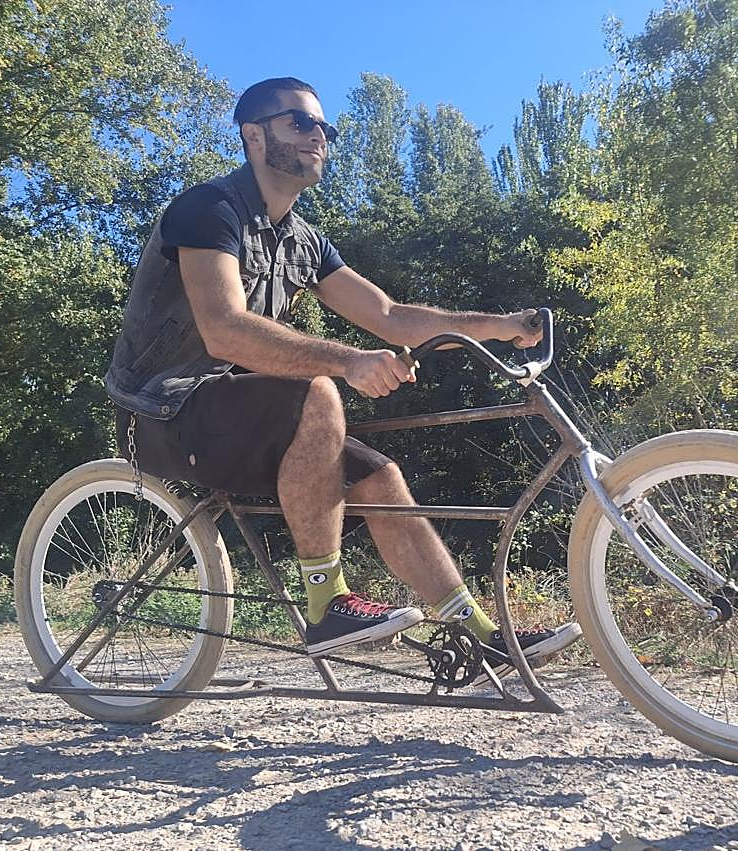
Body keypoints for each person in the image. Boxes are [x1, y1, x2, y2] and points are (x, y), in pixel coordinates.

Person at [105, 77, 580, 675]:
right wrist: (349, 361)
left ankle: (476, 632)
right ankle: (327, 602)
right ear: (254, 135)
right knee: (319, 390)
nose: (318, 137)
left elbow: (389, 316)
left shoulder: (304, 242)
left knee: (381, 479)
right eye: (299, 123)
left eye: (324, 128)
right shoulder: (210, 211)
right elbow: (224, 329)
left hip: (229, 412)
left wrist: (502, 324)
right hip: (160, 411)